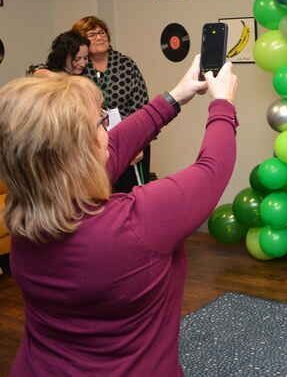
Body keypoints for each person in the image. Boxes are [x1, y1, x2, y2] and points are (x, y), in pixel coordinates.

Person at [0, 55, 238, 375]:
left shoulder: (26, 214)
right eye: (100, 124)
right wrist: (222, 104)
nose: (107, 132)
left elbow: (116, 146)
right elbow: (212, 170)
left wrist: (176, 95)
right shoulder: (137, 222)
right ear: (80, 153)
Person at [72, 15, 149, 192]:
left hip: (130, 141)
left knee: (132, 195)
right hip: (92, 144)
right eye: (92, 34)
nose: (100, 37)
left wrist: (136, 142)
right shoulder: (78, 68)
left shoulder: (125, 64)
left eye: (102, 32)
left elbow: (141, 105)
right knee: (100, 194)